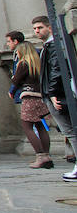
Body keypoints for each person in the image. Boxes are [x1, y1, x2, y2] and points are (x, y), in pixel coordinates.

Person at [33, 15, 77, 181]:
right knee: (70, 130)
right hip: (53, 93)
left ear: (49, 27)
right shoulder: (50, 46)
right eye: (35, 29)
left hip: (56, 94)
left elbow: (56, 71)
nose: (37, 31)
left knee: (70, 131)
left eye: (40, 28)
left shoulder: (54, 46)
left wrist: (52, 94)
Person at [10, 42, 53, 168]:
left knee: (27, 126)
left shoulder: (23, 63)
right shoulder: (38, 62)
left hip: (29, 97)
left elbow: (15, 80)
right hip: (40, 97)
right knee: (41, 126)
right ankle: (47, 155)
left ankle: (40, 157)